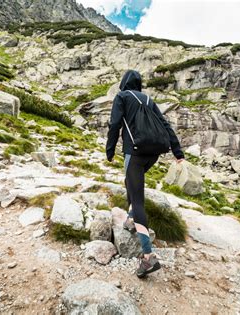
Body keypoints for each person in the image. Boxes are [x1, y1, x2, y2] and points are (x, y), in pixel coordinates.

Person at [106, 70, 185, 278]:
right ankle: (131, 219)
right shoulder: (148, 99)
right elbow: (165, 125)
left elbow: (114, 124)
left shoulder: (122, 97)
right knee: (130, 183)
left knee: (137, 197)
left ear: (124, 83)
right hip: (154, 153)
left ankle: (148, 257)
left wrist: (110, 149)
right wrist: (178, 152)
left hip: (135, 151)